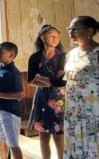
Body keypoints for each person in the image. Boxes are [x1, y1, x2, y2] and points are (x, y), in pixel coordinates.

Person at [27, 25, 66, 159]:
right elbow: (31, 79)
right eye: (52, 35)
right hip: (41, 98)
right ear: (42, 37)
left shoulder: (63, 56)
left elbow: (62, 81)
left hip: (59, 99)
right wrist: (52, 79)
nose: (56, 38)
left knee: (59, 137)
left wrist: (42, 79)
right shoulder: (35, 57)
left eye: (57, 36)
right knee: (43, 137)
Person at [63, 16, 98, 159]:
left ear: (89, 31)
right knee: (75, 145)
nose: (71, 32)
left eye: (75, 29)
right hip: (73, 111)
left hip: (93, 111)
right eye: (69, 29)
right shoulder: (71, 54)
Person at [0, 42, 24, 159]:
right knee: (0, 141)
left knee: (13, 144)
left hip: (10, 112)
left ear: (11, 55)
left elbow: (19, 95)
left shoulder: (13, 72)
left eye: (1, 52)